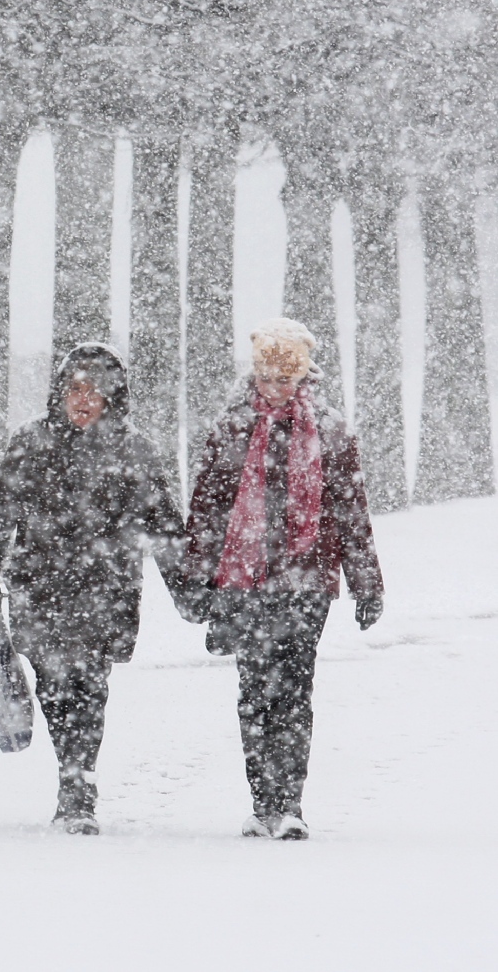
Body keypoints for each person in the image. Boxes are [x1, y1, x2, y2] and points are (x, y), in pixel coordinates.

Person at [0, 342, 188, 834]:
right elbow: (0, 514)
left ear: (114, 398)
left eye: (95, 391)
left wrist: (191, 589)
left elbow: (167, 529)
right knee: (55, 685)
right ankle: (74, 773)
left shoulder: (133, 451)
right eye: (75, 389)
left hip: (105, 592)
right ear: (61, 393)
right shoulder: (30, 444)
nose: (83, 399)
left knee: (89, 686)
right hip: (39, 588)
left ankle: (77, 787)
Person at [184, 317, 383, 841]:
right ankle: (263, 802)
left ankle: (289, 804)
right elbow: (207, 507)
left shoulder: (331, 430)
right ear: (256, 375)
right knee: (255, 690)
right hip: (245, 581)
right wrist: (195, 579)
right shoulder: (232, 427)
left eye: (287, 378)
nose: (277, 388)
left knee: (294, 689)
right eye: (269, 378)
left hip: (307, 580)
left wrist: (368, 584)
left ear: (303, 375)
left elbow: (350, 510)